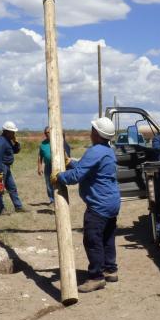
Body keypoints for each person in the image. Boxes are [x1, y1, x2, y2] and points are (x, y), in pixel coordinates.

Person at [53, 117, 120, 293]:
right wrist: (71, 163)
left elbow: (76, 176)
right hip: (111, 203)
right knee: (107, 237)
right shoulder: (107, 150)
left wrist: (59, 177)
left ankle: (96, 277)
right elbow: (87, 167)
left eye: (92, 129)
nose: (90, 132)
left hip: (99, 205)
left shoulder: (95, 150)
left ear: (96, 133)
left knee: (92, 240)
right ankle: (110, 270)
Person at [0, 121, 25, 215]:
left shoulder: (7, 141)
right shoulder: (0, 142)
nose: (14, 133)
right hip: (0, 167)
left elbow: (15, 151)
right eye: (12, 132)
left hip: (6, 167)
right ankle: (0, 210)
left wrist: (16, 142)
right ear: (6, 131)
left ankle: (18, 207)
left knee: (12, 187)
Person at [36, 126, 71, 205]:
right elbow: (40, 156)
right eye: (45, 133)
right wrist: (39, 166)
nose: (46, 134)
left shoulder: (58, 141)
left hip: (58, 165)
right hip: (48, 165)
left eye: (48, 132)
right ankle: (52, 200)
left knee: (60, 182)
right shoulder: (43, 144)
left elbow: (67, 152)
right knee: (49, 183)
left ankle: (62, 200)